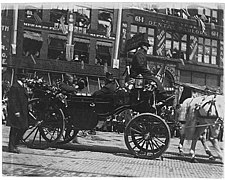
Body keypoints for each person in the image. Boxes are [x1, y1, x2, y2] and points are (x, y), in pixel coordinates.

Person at [6, 73, 29, 153]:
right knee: (14, 129)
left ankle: (15, 143)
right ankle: (12, 147)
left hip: (22, 111)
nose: (26, 79)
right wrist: (16, 111)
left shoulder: (22, 86)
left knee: (24, 127)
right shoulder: (15, 87)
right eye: (24, 77)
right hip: (17, 112)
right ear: (20, 78)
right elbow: (12, 100)